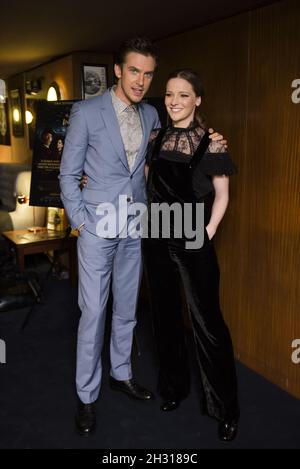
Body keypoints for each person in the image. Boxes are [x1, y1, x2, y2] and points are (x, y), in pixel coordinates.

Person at [59, 37, 226, 438]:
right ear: (117, 70)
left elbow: (171, 152)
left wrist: (214, 142)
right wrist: (81, 221)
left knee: (128, 309)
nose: (141, 80)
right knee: (93, 313)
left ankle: (122, 373)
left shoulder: (152, 115)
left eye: (148, 73)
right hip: (97, 229)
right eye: (134, 70)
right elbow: (68, 174)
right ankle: (86, 395)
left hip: (138, 226)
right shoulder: (85, 112)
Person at [143, 69, 239, 442]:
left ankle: (225, 408)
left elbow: (223, 195)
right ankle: (173, 389)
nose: (174, 101)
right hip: (156, 235)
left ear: (197, 100)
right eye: (169, 94)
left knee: (207, 323)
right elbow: (149, 183)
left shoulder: (211, 142)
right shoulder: (156, 138)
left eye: (183, 95)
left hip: (192, 239)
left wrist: (209, 231)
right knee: (164, 317)